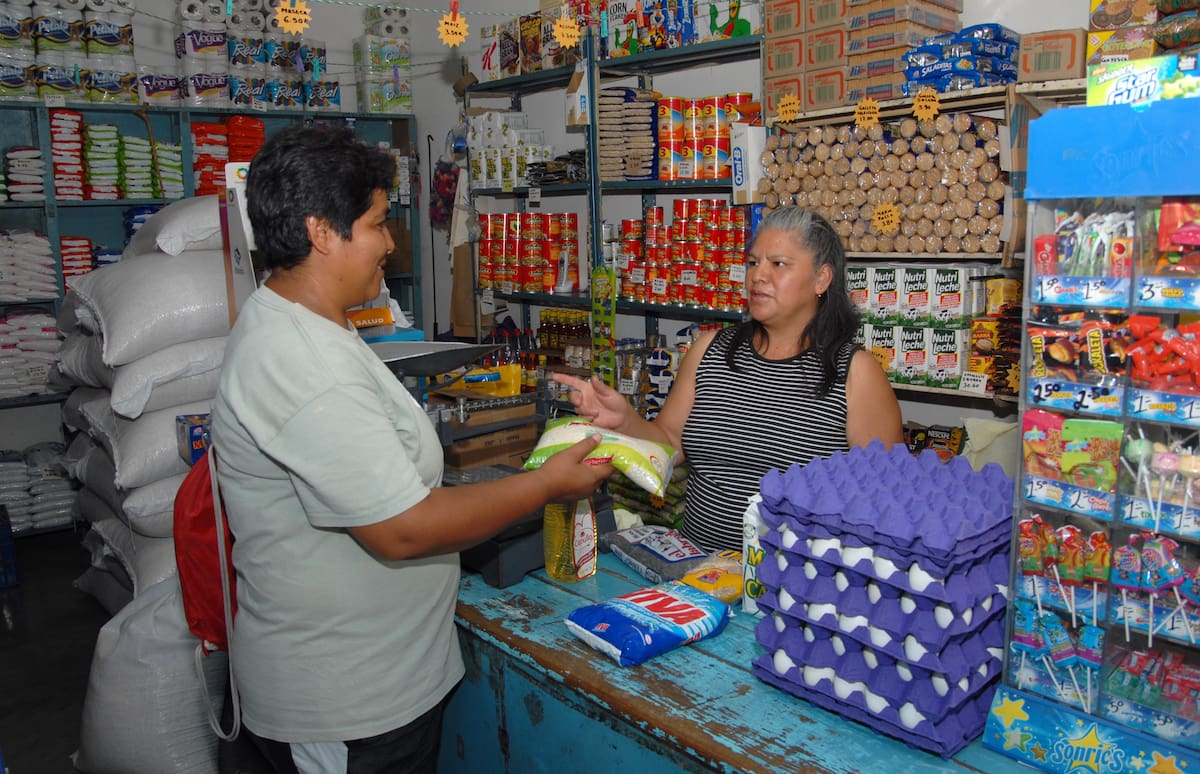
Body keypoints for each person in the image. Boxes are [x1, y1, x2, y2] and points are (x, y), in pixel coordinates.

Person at [210, 126, 612, 773]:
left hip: (378, 686)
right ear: (321, 232)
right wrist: (544, 485)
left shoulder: (308, 327)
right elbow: (402, 530)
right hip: (343, 703)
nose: (390, 243)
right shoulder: (300, 362)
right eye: (375, 224)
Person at [556, 206, 903, 553]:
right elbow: (669, 442)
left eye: (777, 264)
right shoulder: (711, 349)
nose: (757, 276)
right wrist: (625, 419)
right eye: (753, 263)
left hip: (790, 588)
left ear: (821, 279)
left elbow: (883, 499)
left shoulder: (855, 373)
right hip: (696, 572)